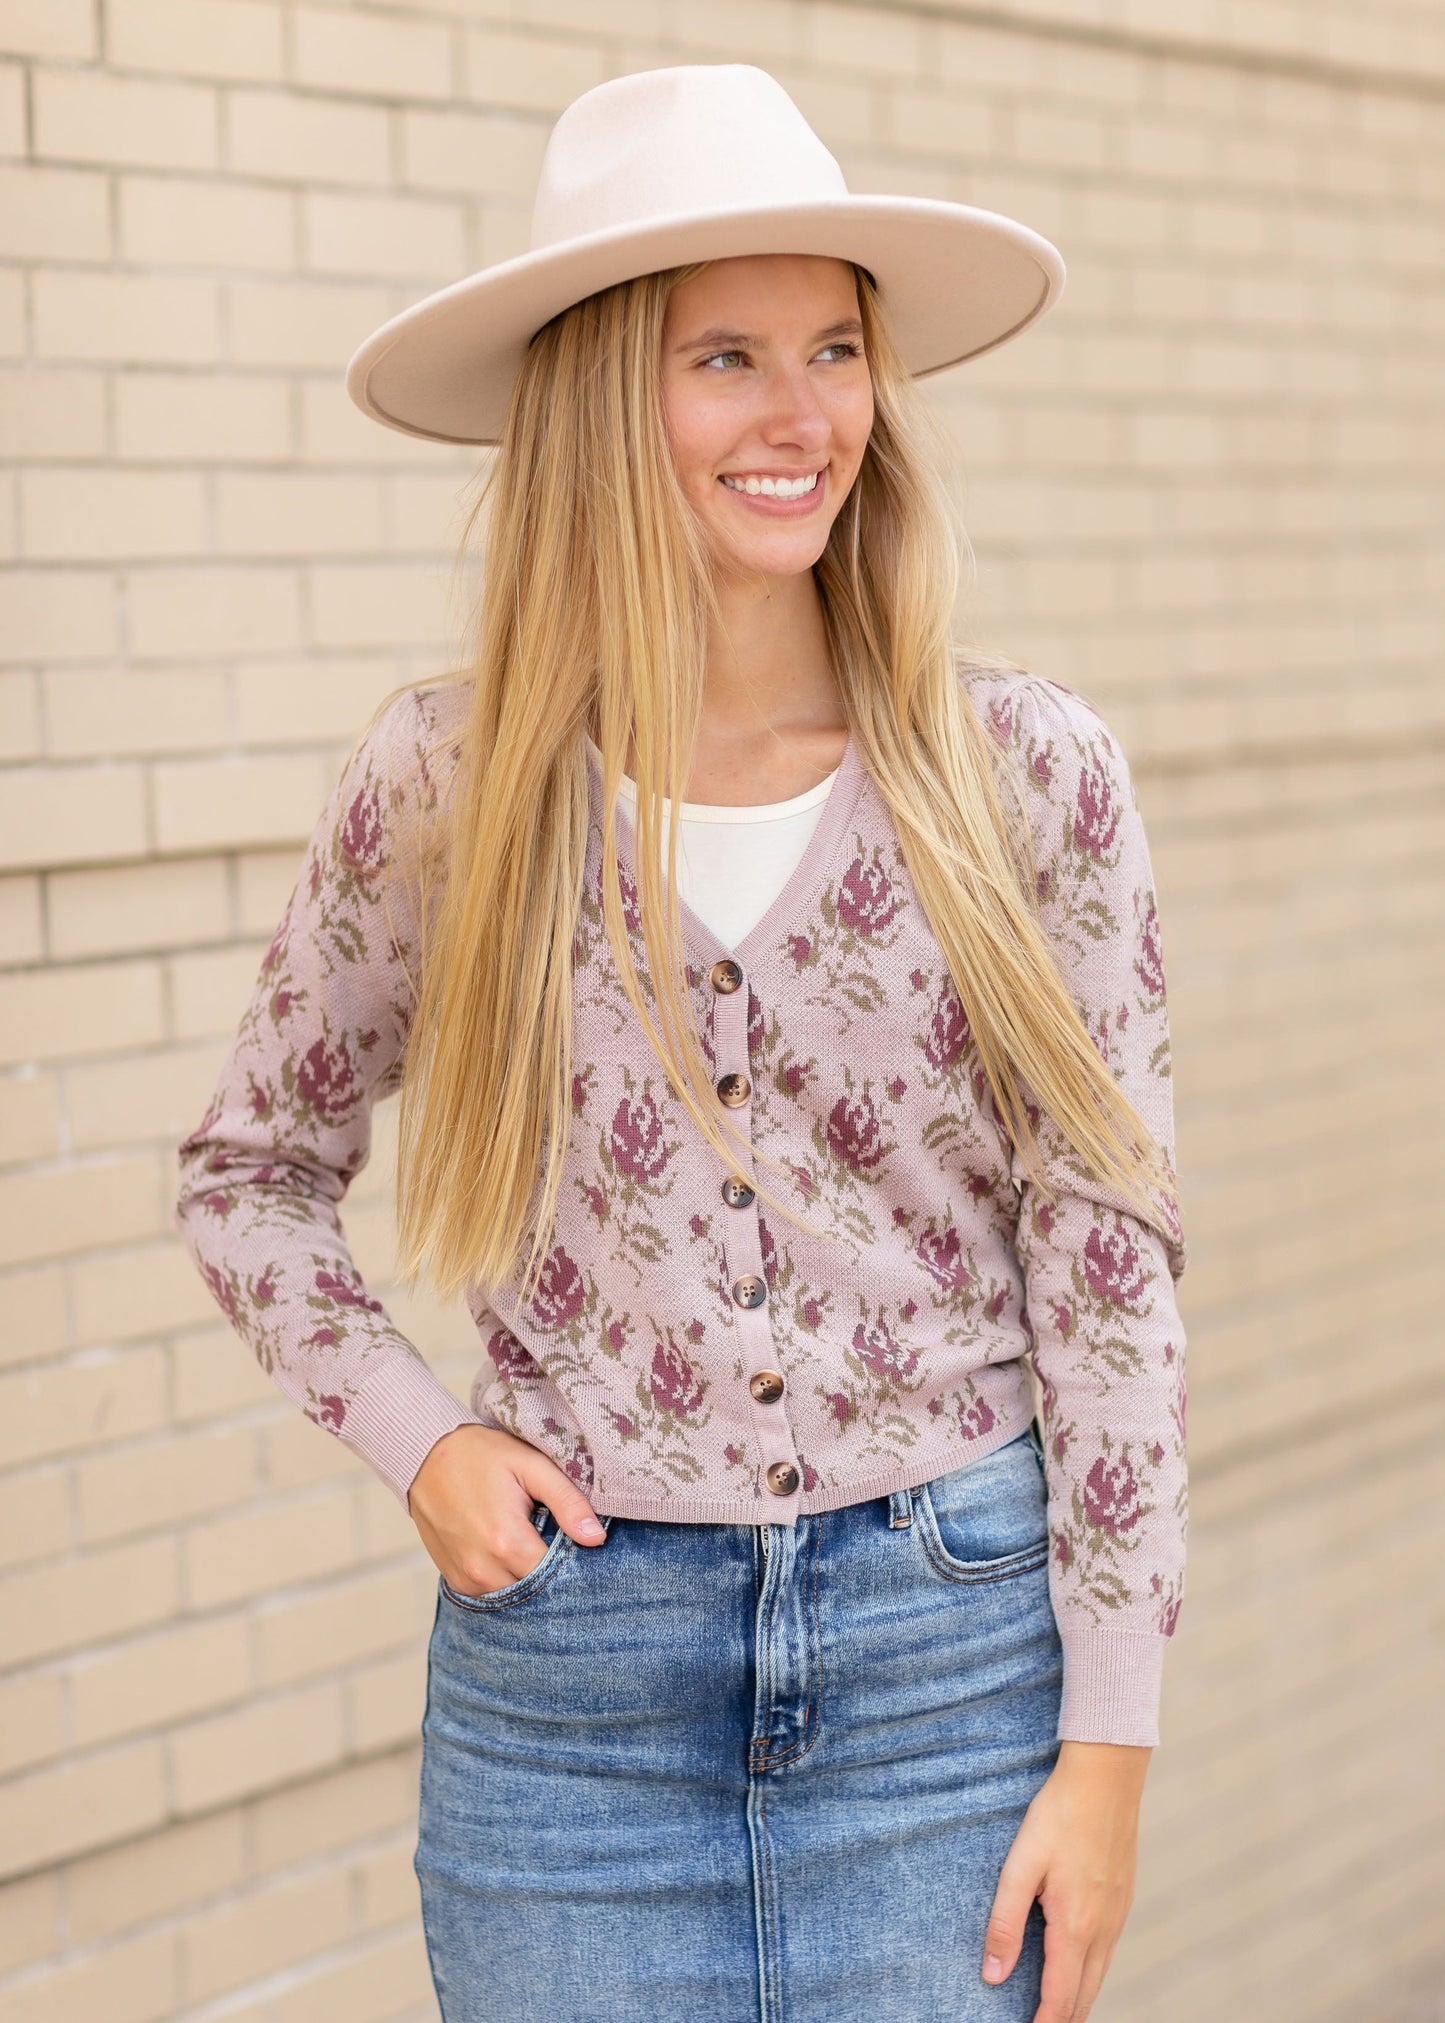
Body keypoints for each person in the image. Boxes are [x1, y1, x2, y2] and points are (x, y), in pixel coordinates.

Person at [174, 63, 1187, 2023]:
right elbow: (252, 1172)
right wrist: (420, 1440)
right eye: (724, 355)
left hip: (951, 1680)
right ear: (595, 401)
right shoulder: (450, 787)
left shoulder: (1023, 778)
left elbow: (1111, 1258)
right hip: (570, 1714)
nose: (800, 414)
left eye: (833, 347)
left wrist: (1114, 1742)